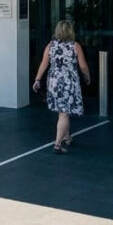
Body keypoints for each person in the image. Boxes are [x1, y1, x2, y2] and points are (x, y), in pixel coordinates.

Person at [32, 20, 90, 154]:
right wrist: (87, 76)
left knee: (63, 111)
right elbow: (83, 66)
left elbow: (43, 64)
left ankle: (67, 136)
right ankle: (57, 144)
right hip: (68, 82)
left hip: (53, 81)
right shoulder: (75, 46)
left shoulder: (50, 45)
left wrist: (37, 80)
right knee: (64, 113)